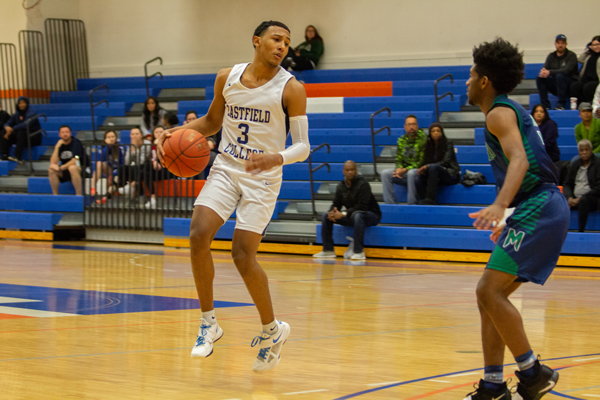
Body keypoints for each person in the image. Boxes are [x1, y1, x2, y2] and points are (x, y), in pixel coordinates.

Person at [156, 20, 309, 373]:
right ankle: (208, 322)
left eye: (287, 41)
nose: (282, 46)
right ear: (257, 41)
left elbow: (303, 146)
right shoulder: (227, 77)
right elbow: (211, 121)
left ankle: (272, 330)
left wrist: (277, 157)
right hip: (226, 167)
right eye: (276, 39)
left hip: (264, 178)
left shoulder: (291, 88)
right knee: (197, 234)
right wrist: (174, 133)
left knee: (242, 255)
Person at [464, 38, 568, 400]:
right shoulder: (507, 111)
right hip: (536, 205)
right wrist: (509, 216)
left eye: (471, 74)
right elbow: (525, 168)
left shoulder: (498, 113)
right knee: (490, 296)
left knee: (487, 290)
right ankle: (493, 384)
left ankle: (533, 372)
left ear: (484, 81)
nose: (467, 80)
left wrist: (499, 206)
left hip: (540, 204)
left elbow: (522, 162)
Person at [313, 160, 381, 260]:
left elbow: (362, 207)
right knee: (325, 215)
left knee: (358, 215)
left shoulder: (363, 184)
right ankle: (328, 250)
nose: (350, 172)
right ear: (343, 171)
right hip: (352, 215)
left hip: (371, 215)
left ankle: (358, 252)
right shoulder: (341, 186)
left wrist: (344, 214)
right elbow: (336, 204)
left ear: (356, 170)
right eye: (347, 170)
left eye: (352, 170)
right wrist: (332, 212)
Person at [381, 115, 426, 204]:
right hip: (404, 171)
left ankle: (411, 203)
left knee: (411, 173)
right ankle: (391, 204)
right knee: (385, 173)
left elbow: (422, 161)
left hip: (418, 171)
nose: (411, 127)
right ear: (405, 127)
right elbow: (398, 159)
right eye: (409, 124)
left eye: (413, 124)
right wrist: (399, 168)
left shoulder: (423, 139)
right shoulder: (402, 140)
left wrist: (406, 169)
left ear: (417, 126)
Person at [416, 122, 460, 205]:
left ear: (441, 133)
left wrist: (428, 166)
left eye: (438, 131)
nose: (436, 133)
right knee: (418, 179)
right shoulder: (428, 145)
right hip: (435, 175)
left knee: (433, 167)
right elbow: (424, 161)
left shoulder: (448, 144)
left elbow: (446, 162)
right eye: (433, 131)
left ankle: (430, 199)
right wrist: (421, 168)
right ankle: (423, 201)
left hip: (449, 174)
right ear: (430, 134)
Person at [563, 139, 600, 232]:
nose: (584, 152)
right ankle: (560, 230)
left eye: (586, 150)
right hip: (575, 199)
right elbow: (567, 183)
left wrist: (580, 198)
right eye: (581, 150)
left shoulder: (598, 163)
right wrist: (569, 197)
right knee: (558, 199)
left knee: (584, 200)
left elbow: (598, 187)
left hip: (592, 199)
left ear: (591, 150)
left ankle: (581, 231)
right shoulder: (575, 164)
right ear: (578, 151)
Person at [535, 34, 578, 110]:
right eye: (558, 43)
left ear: (566, 44)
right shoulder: (551, 56)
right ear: (555, 44)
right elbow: (545, 69)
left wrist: (550, 72)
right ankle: (545, 105)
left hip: (569, 84)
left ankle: (561, 104)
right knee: (540, 78)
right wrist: (543, 72)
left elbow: (567, 70)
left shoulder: (571, 55)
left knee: (560, 76)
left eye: (562, 43)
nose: (560, 45)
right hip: (557, 85)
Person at [0, 96, 41, 163]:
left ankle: (18, 157)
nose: (21, 105)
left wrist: (12, 129)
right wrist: (7, 127)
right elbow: (8, 122)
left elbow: (25, 125)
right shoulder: (17, 114)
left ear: (27, 104)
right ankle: (5, 154)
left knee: (21, 132)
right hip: (21, 138)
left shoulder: (31, 113)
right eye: (20, 103)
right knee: (4, 131)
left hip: (33, 137)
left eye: (23, 103)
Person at [116, 127, 151, 201]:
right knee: (122, 168)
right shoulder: (131, 145)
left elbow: (141, 161)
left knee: (136, 168)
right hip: (135, 169)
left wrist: (136, 149)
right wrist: (132, 149)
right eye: (132, 134)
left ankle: (130, 188)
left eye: (137, 134)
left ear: (141, 135)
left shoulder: (147, 144)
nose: (134, 136)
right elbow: (126, 162)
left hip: (146, 168)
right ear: (130, 136)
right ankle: (126, 187)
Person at [48, 125, 84, 196]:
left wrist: (61, 167)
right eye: (63, 132)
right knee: (51, 170)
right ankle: (55, 196)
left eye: (67, 132)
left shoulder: (76, 143)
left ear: (70, 133)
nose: (65, 134)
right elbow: (53, 162)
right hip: (66, 170)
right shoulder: (60, 145)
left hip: (81, 167)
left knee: (72, 167)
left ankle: (79, 195)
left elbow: (75, 160)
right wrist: (56, 147)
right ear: (59, 134)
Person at [91, 130, 123, 204]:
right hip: (110, 170)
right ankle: (92, 187)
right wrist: (108, 146)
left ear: (115, 138)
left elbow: (122, 163)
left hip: (119, 171)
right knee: (99, 164)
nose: (111, 139)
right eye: (108, 137)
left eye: (112, 137)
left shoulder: (121, 147)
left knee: (110, 180)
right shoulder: (105, 147)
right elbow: (101, 158)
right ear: (105, 139)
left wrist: (115, 173)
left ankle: (105, 198)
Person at [570, 36, 600, 107]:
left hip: (596, 80)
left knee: (588, 87)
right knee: (574, 86)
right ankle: (578, 106)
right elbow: (580, 59)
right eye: (593, 45)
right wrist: (587, 50)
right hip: (586, 79)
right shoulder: (589, 55)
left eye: (597, 44)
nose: (595, 47)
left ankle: (589, 105)